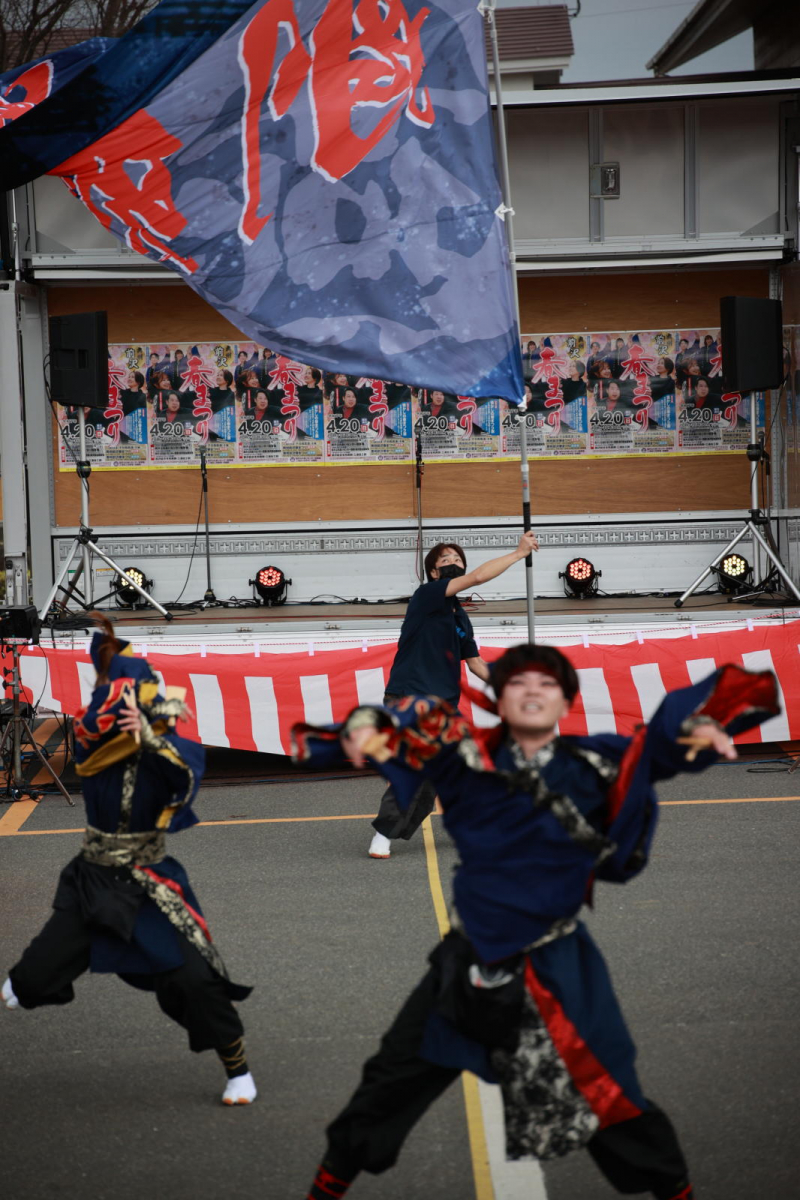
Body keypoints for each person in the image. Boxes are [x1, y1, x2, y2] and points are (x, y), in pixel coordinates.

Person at [295, 644, 779, 1200]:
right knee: (385, 1089)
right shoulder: (466, 759)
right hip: (465, 966)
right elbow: (405, 728)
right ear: (498, 698)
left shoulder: (594, 763)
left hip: (556, 969)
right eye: (518, 682)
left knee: (613, 1102)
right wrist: (369, 729)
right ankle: (324, 1191)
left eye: (546, 683)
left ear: (567, 701)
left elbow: (657, 747)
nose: (531, 690)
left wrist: (690, 732)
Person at [2, 616, 256, 1107]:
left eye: (135, 693)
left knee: (195, 981)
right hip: (92, 881)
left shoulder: (167, 737)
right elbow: (95, 728)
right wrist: (113, 691)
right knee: (28, 981)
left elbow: (187, 770)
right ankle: (30, 981)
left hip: (150, 883)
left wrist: (149, 731)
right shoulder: (96, 729)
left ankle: (237, 1066)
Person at [366, 533, 538, 859]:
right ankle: (384, 833)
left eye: (457, 559)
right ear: (433, 573)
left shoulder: (460, 617)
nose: (452, 563)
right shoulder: (427, 596)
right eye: (444, 560)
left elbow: (476, 665)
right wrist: (518, 553)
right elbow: (477, 577)